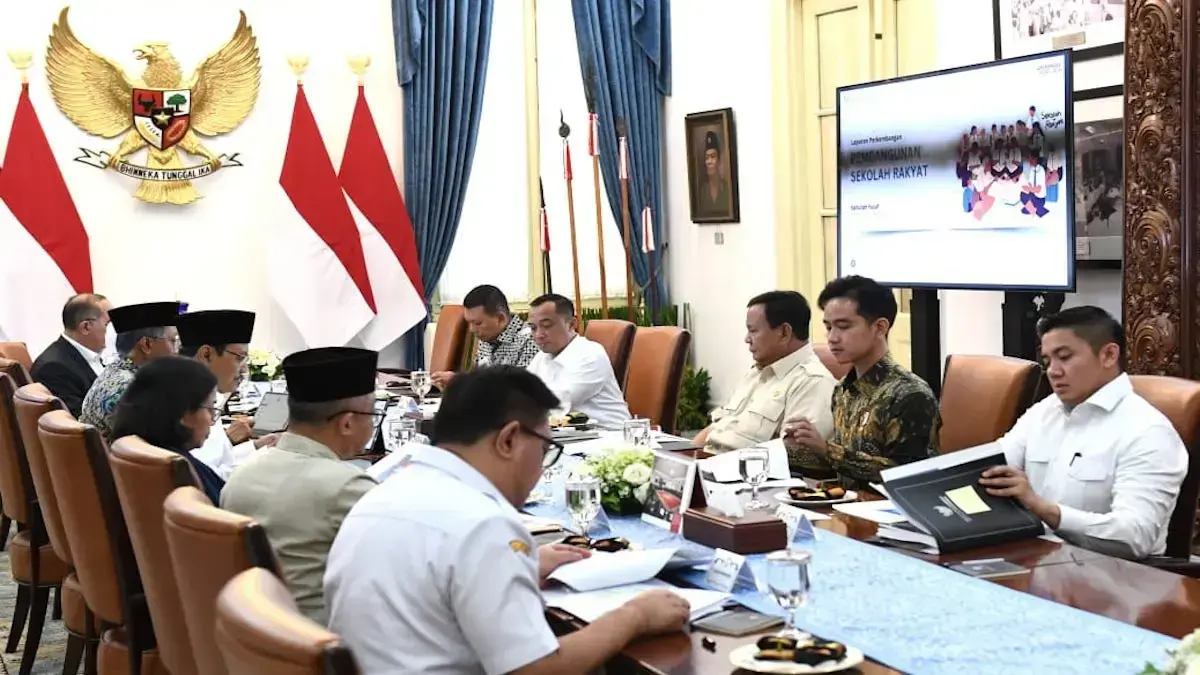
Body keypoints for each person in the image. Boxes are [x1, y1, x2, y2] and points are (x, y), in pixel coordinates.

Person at [325, 366, 689, 673]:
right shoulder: (484, 525)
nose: (539, 468)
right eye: (545, 450)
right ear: (509, 440)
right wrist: (635, 616)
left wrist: (520, 563)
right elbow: (537, 669)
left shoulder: (386, 490)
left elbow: (432, 582)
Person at [980, 306, 1187, 559]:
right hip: (1038, 561)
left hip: (1114, 579)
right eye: (1047, 361)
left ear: (1109, 355)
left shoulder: (1148, 432)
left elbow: (1135, 536)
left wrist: (1046, 510)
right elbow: (991, 468)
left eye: (1064, 357)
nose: (1053, 371)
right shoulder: (1045, 411)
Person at [221, 347, 379, 624]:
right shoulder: (348, 487)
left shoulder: (243, 474)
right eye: (372, 416)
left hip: (255, 636)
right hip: (324, 646)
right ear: (347, 423)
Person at [782, 276, 940, 486]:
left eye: (844, 326)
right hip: (846, 507)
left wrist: (828, 450)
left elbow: (908, 475)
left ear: (880, 327)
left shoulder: (910, 393)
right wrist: (796, 449)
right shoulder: (843, 390)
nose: (832, 338)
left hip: (890, 513)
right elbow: (840, 468)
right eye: (829, 327)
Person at [694, 291, 836, 463]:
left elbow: (792, 455)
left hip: (744, 477)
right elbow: (717, 426)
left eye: (753, 331)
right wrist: (685, 457)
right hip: (709, 464)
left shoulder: (812, 382)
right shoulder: (756, 372)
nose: (747, 339)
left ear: (784, 333)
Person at [176, 310, 278, 479]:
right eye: (239, 358)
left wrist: (257, 447)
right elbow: (205, 477)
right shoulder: (187, 404)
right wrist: (265, 459)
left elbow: (217, 459)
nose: (244, 369)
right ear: (206, 354)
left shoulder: (195, 391)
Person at [109, 356, 226, 503]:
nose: (212, 420)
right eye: (210, 409)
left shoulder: (133, 450)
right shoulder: (177, 469)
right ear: (185, 414)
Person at [525, 293, 630, 428]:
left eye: (547, 325)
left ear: (572, 323)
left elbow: (557, 403)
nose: (538, 335)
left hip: (609, 436)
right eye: (533, 328)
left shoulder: (590, 354)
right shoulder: (542, 356)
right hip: (569, 437)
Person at [80, 301, 183, 438]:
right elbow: (156, 447)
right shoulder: (129, 390)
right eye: (173, 340)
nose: (177, 350)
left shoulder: (116, 372)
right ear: (147, 345)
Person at [430, 284, 538, 390]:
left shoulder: (531, 340)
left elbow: (519, 390)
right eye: (469, 323)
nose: (472, 329)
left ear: (501, 318)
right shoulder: (487, 338)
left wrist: (462, 381)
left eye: (477, 323)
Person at [31, 293, 112, 417]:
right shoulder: (53, 368)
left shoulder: (90, 354)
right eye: (108, 324)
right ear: (86, 327)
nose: (114, 330)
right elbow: (80, 422)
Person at [698, 130, 730, 214]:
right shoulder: (702, 191)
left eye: (713, 157)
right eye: (707, 158)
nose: (709, 161)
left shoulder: (726, 188)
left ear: (718, 161)